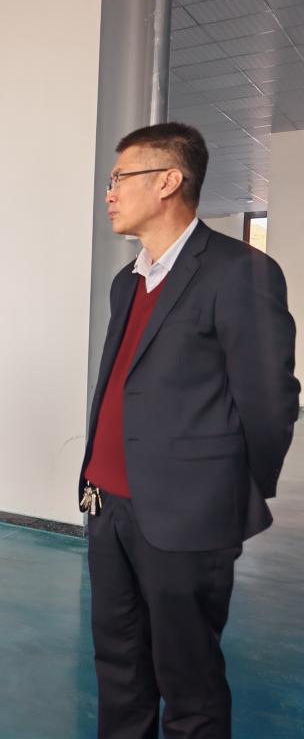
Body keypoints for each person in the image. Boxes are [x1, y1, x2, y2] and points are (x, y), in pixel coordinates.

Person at [81, 122, 299, 738]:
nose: (109, 193)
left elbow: (271, 402)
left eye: (120, 178)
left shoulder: (238, 271)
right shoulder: (128, 281)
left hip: (188, 517)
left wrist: (227, 494)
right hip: (108, 507)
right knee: (119, 669)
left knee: (190, 682)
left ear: (169, 181)